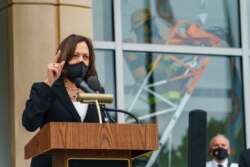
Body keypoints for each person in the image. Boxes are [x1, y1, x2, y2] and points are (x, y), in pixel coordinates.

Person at [22, 34, 101, 167]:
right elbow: (29, 123)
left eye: (86, 57)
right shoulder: (44, 88)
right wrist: (49, 83)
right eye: (75, 55)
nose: (81, 61)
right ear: (64, 58)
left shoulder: (95, 91)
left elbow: (104, 130)